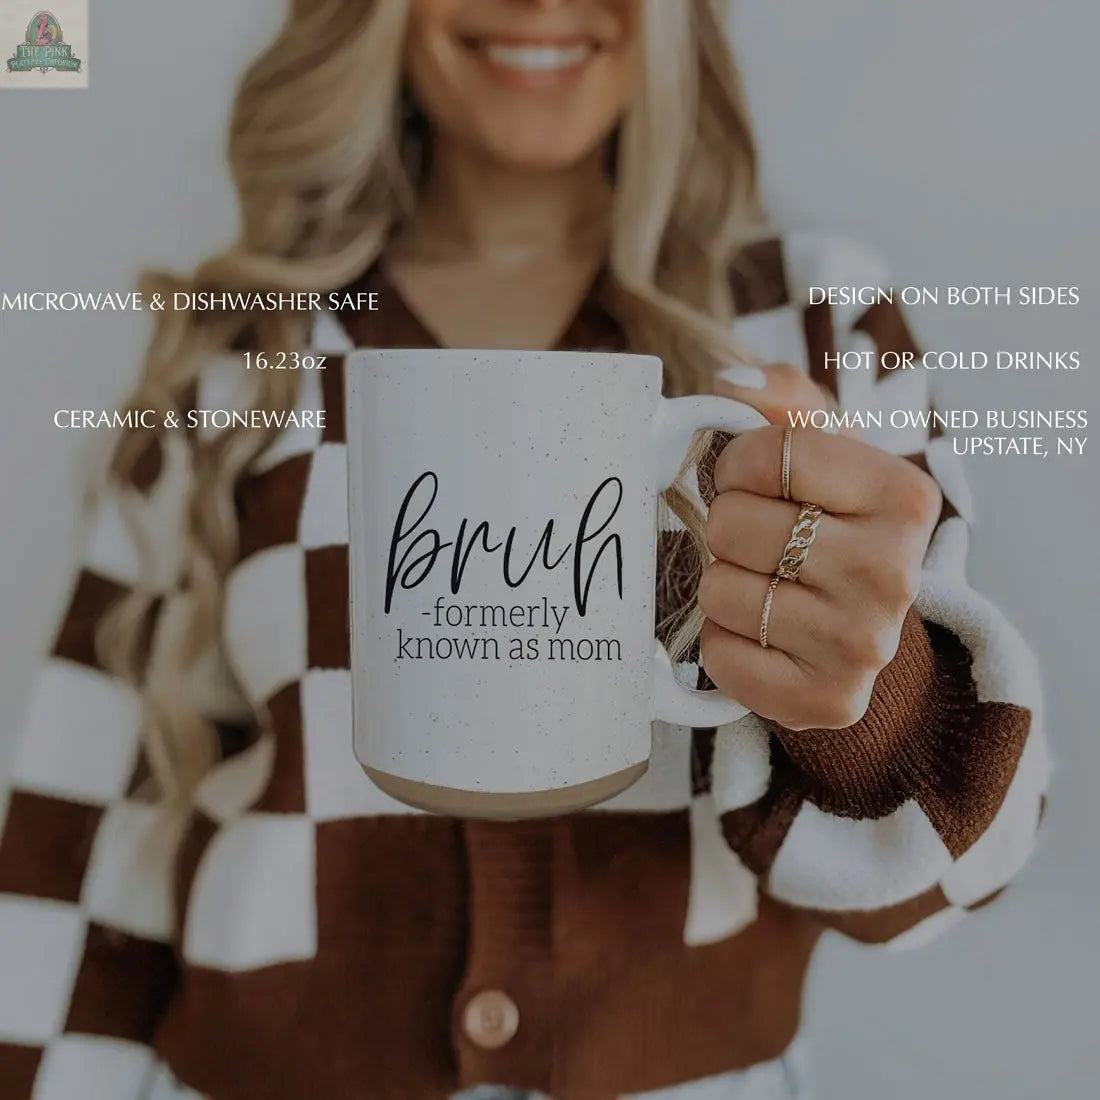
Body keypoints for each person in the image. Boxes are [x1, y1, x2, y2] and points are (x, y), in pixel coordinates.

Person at [0, 1, 1049, 1098]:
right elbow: (73, 850)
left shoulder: (811, 323)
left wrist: (877, 703)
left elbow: (959, 878)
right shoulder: (247, 352)